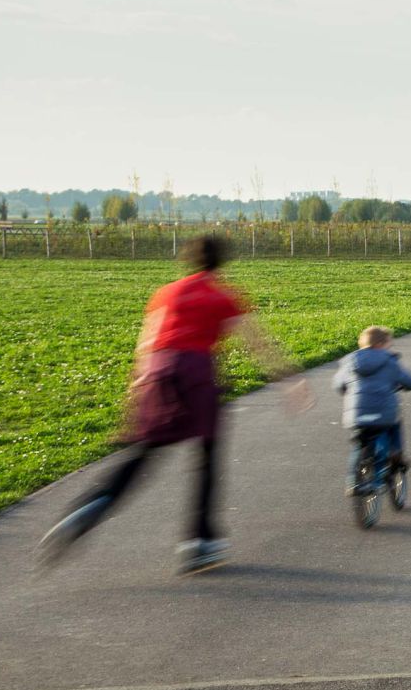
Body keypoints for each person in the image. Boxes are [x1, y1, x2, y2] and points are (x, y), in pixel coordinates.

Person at [39, 233, 310, 574]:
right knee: (207, 457)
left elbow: (146, 344)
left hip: (158, 369)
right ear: (221, 261)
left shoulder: (166, 293)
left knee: (143, 453)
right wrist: (289, 379)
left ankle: (91, 506)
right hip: (196, 372)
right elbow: (256, 343)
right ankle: (199, 542)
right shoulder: (223, 296)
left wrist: (133, 397)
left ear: (191, 259)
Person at [335, 325, 411, 492]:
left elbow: (338, 384)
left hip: (357, 414)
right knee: (394, 424)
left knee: (359, 444)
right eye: (388, 345)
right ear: (380, 344)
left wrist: (346, 391)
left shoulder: (350, 361)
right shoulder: (389, 361)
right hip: (384, 412)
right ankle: (394, 456)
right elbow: (407, 379)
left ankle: (352, 482)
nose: (389, 348)